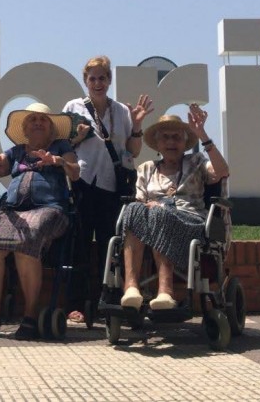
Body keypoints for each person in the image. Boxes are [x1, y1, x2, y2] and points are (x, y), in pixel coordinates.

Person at [0, 103, 81, 341]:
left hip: (50, 209)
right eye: (32, 120)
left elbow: (76, 172)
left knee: (28, 239)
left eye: (43, 119)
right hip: (13, 210)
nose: (38, 123)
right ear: (25, 129)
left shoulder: (62, 146)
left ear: (51, 128)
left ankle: (30, 317)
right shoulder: (16, 151)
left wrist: (58, 161)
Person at [62, 56, 153, 324]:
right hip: (81, 183)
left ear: (109, 80)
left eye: (102, 78)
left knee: (109, 245)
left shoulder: (121, 111)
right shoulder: (73, 107)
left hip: (112, 186)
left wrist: (137, 125)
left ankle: (109, 302)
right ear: (85, 81)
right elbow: (62, 146)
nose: (97, 83)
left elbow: (133, 151)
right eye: (92, 78)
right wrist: (76, 137)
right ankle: (75, 304)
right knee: (78, 244)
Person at [119, 104, 229, 311]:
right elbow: (140, 201)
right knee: (132, 210)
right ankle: (131, 288)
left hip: (191, 222)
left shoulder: (196, 161)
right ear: (157, 144)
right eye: (165, 137)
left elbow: (222, 171)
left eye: (177, 137)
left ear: (185, 143)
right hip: (152, 222)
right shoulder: (146, 169)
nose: (171, 142)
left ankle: (165, 290)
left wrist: (203, 135)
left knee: (160, 213)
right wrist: (151, 206)